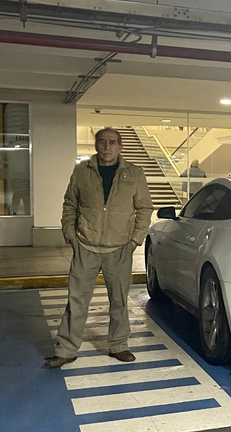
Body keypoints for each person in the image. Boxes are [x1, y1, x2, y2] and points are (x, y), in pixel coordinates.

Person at [44, 128, 153, 369]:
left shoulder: (134, 173)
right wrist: (70, 235)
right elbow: (70, 203)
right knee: (76, 300)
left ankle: (118, 345)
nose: (107, 147)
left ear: (120, 146)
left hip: (120, 248)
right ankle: (66, 349)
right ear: (96, 145)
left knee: (119, 301)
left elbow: (145, 208)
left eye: (112, 142)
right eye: (102, 142)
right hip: (85, 246)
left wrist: (135, 239)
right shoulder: (82, 171)